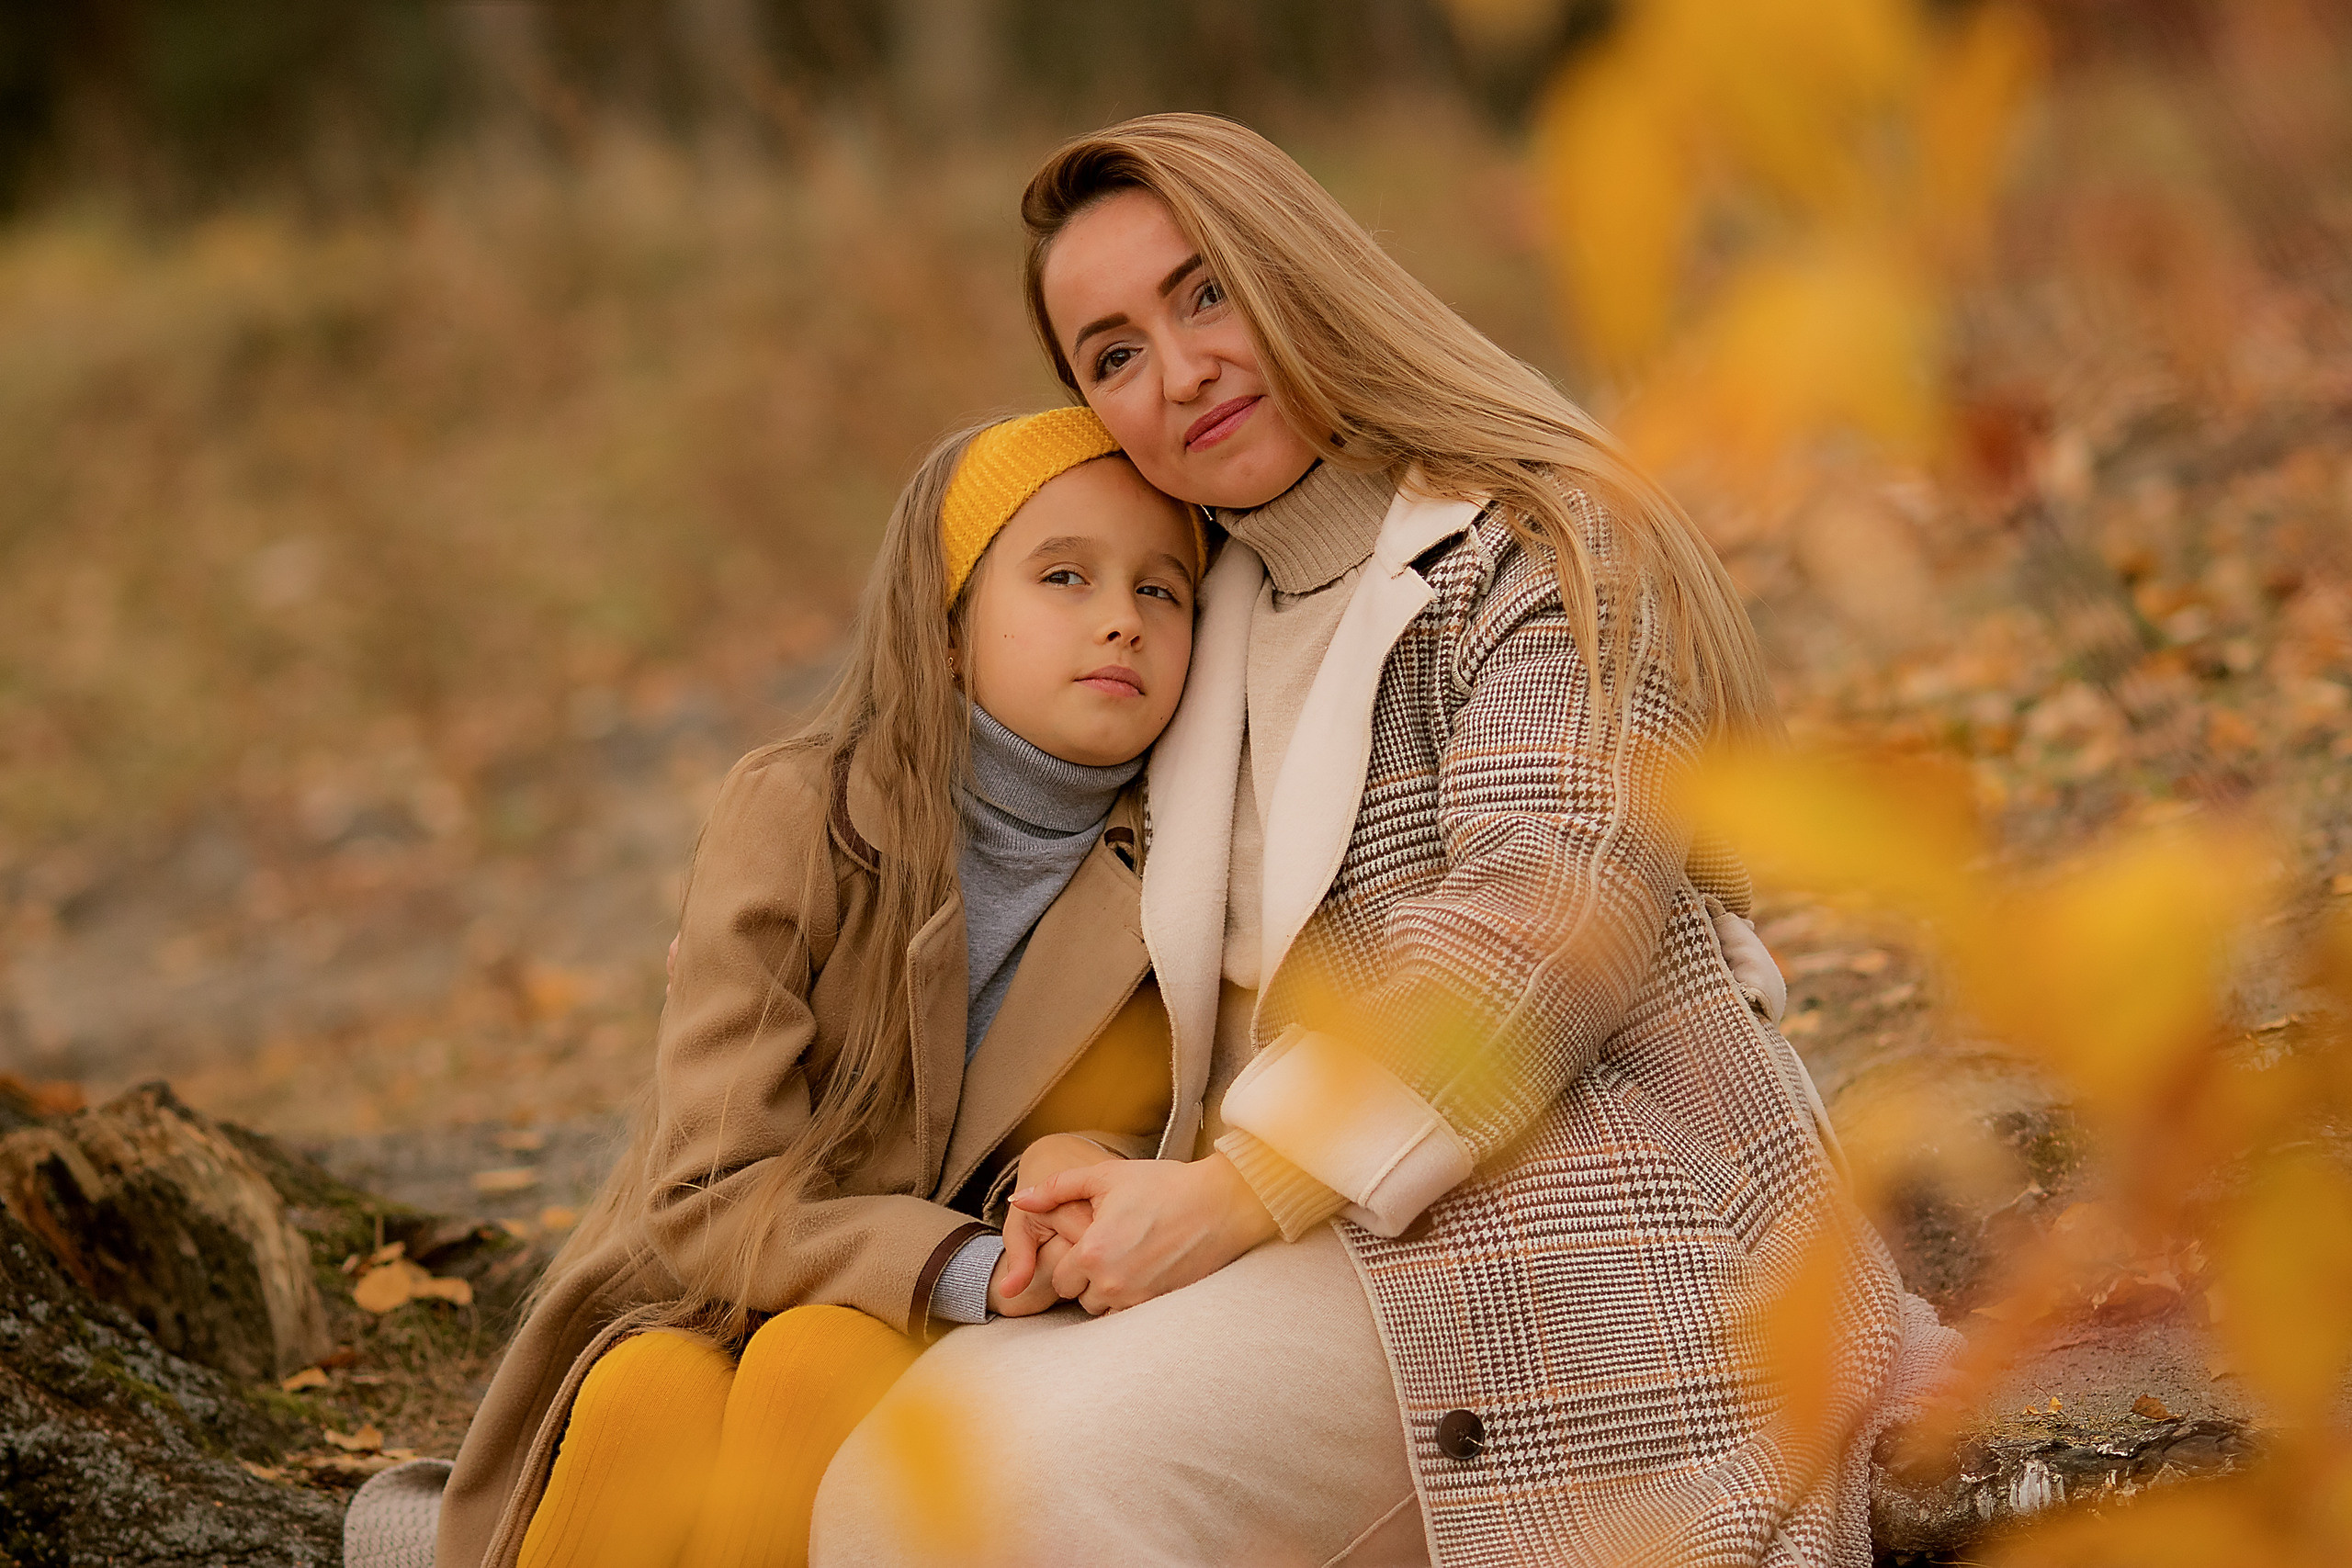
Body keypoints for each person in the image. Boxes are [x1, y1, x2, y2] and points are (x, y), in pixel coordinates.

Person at [809, 114, 1958, 1567]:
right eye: (1110, 353)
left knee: (994, 1487)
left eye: (1204, 292)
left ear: (1299, 270)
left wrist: (1236, 1189)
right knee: (892, 1479)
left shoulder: (1547, 539)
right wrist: (1103, 1158)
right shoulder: (1185, 621)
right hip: (1327, 1252)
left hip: (1585, 1238)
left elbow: (1540, 913)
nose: (1177, 372)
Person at [427, 406, 1207, 1568]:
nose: (1118, 620)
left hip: (940, 1330)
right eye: (1062, 576)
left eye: (1163, 592)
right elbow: (706, 1182)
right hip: (713, 1279)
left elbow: (1132, 1110)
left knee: (819, 1366)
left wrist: (1073, 1163)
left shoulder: (1169, 873)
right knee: (646, 1398)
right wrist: (959, 1260)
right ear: (945, 628)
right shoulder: (800, 813)